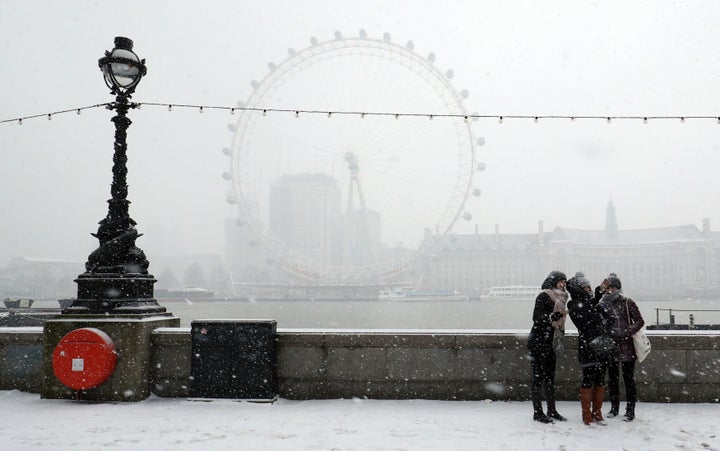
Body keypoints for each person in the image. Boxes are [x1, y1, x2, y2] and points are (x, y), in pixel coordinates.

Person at [567, 272, 613, 425]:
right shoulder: (573, 304)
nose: (589, 289)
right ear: (577, 289)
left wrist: (599, 294)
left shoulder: (589, 302)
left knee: (600, 378)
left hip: (601, 344)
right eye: (585, 287)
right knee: (588, 378)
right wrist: (597, 301)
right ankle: (586, 413)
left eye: (589, 286)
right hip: (588, 345)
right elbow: (586, 319)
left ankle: (597, 412)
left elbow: (602, 316)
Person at [600, 274, 645, 421]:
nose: (611, 291)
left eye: (613, 288)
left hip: (627, 346)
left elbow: (639, 321)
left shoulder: (627, 302)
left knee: (628, 379)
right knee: (613, 379)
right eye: (609, 288)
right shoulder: (602, 304)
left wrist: (626, 332)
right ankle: (614, 408)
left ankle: (630, 410)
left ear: (618, 289)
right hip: (611, 345)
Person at [527, 270, 568, 423]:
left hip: (551, 343)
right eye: (560, 281)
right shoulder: (544, 295)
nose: (563, 283)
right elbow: (536, 317)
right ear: (553, 282)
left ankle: (551, 410)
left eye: (564, 281)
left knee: (550, 379)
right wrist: (550, 317)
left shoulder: (563, 299)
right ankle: (537, 412)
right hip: (539, 342)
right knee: (538, 379)